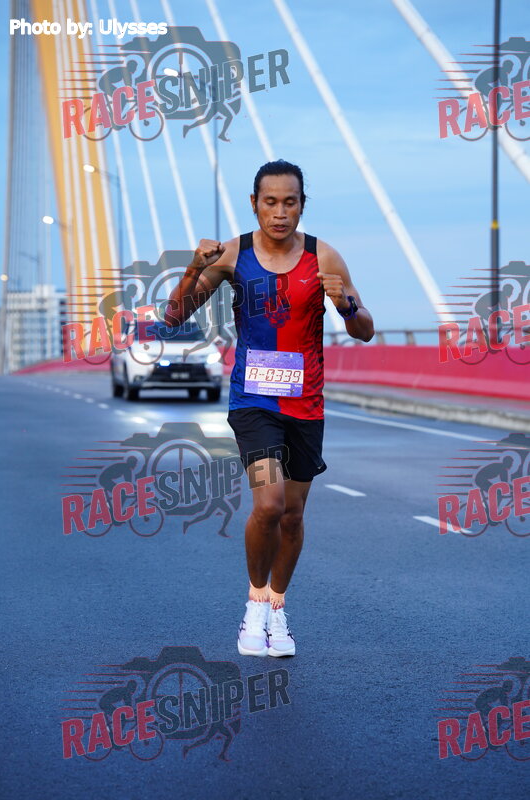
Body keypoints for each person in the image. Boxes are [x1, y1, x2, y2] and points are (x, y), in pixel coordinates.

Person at [165, 160, 374, 657]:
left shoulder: (324, 257)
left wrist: (345, 305)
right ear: (254, 204)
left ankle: (277, 608)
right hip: (253, 403)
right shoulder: (232, 254)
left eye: (290, 202)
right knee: (269, 505)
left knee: (293, 516)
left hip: (306, 405)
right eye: (270, 202)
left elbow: (365, 329)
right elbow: (174, 316)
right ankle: (255, 603)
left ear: (303, 205)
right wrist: (194, 267)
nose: (280, 212)